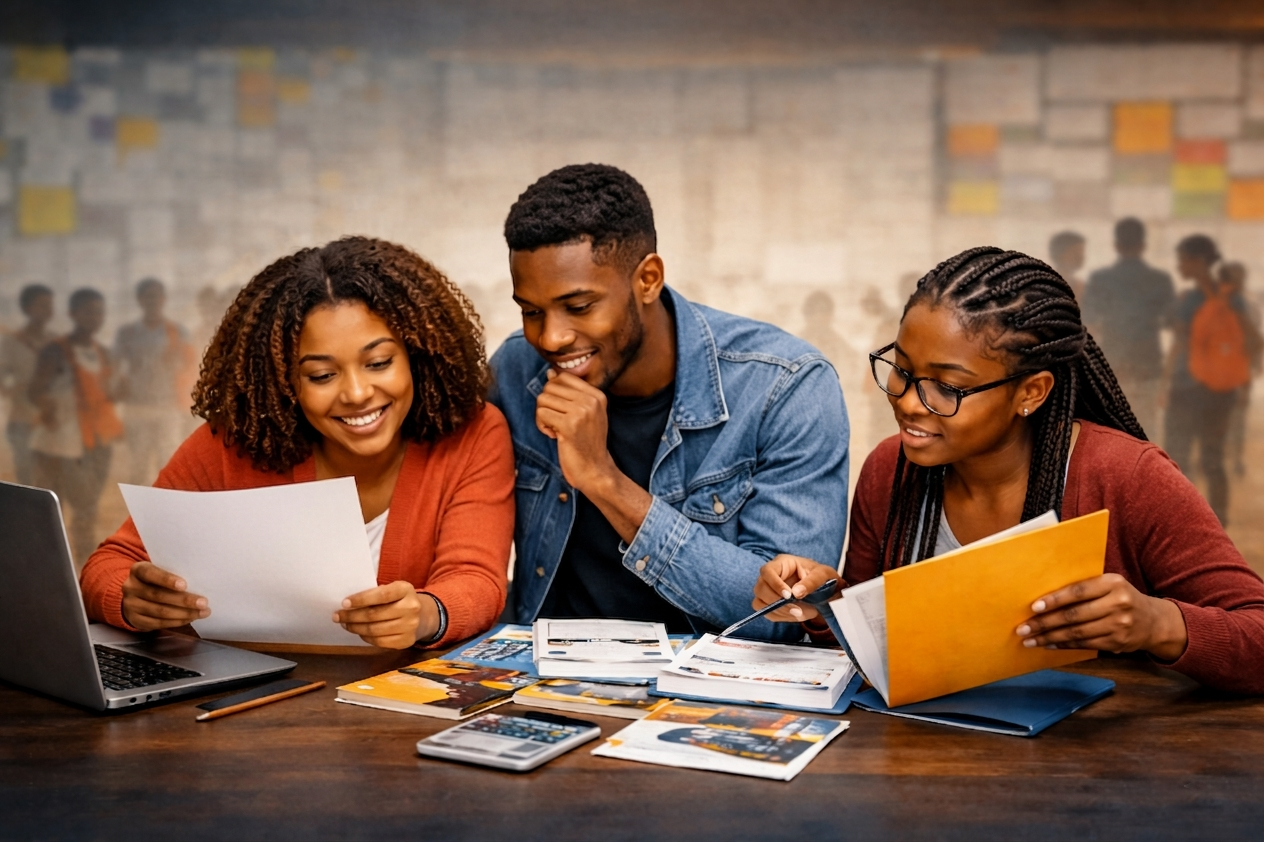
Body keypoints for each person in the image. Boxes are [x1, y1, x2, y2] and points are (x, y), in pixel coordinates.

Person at [753, 246, 1264, 694]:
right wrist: (822, 602)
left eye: (947, 388)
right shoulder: (891, 469)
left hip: (1095, 778)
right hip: (925, 765)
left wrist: (1159, 624)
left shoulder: (1128, 477)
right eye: (903, 371)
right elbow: (873, 642)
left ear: (1031, 392)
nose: (909, 403)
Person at [79, 237, 515, 649]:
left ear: (417, 355)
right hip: (248, 701)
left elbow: (476, 578)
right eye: (322, 375)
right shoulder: (232, 444)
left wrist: (425, 613)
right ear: (283, 382)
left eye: (379, 362)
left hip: (398, 708)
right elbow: (109, 564)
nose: (358, 393)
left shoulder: (473, 435)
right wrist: (131, 600)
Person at [489, 163, 849, 640]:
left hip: (712, 690)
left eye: (579, 308)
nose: (551, 337)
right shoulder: (517, 370)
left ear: (648, 279)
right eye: (532, 311)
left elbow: (781, 620)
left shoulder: (784, 387)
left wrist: (605, 482)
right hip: (545, 678)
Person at [1164, 235, 1258, 525]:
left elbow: (1179, 344)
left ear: (1199, 261)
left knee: (1178, 456)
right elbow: (1253, 342)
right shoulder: (1233, 297)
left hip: (1186, 387)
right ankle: (1219, 523)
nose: (1179, 265)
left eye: (1183, 259)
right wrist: (1241, 383)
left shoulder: (1190, 300)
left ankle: (1189, 521)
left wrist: (1165, 382)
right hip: (1222, 391)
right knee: (1214, 458)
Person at [29, 288, 124, 562]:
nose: (95, 317)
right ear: (73, 314)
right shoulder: (54, 351)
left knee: (88, 506)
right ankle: (56, 561)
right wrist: (47, 406)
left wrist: (120, 393)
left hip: (96, 441)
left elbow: (106, 394)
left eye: (99, 312)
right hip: (61, 443)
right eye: (89, 311)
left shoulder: (103, 353)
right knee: (63, 506)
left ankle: (82, 561)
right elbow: (35, 390)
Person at [1081, 218, 1174, 438]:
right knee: (1146, 425)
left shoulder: (1100, 280)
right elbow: (1171, 322)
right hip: (1147, 364)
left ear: (1116, 246)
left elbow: (1090, 324)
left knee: (1112, 427)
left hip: (1113, 365)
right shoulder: (1160, 280)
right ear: (1143, 246)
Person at [113, 278, 198, 485]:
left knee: (168, 462)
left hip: (167, 405)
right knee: (139, 463)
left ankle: (165, 510)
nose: (153, 301)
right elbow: (113, 366)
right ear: (140, 300)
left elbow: (192, 365)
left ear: (163, 300)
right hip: (137, 406)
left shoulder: (178, 332)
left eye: (157, 296)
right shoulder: (127, 333)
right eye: (148, 296)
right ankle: (138, 512)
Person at [0, 284, 54, 485]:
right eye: (42, 305)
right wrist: (16, 387)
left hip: (51, 418)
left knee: (50, 472)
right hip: (22, 416)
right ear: (27, 308)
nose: (48, 310)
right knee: (25, 470)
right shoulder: (11, 342)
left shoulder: (56, 341)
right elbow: (2, 378)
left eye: (50, 305)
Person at [1219, 262, 1262, 477]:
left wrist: (1255, 365)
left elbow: (1253, 341)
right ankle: (1222, 457)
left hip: (1237, 372)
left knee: (1236, 417)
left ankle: (1235, 459)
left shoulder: (1248, 305)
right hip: (1216, 371)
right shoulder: (1216, 302)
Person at [1048, 230, 1086, 301]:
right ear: (1060, 254)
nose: (1080, 257)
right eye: (1075, 253)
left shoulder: (1082, 287)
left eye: (1081, 252)